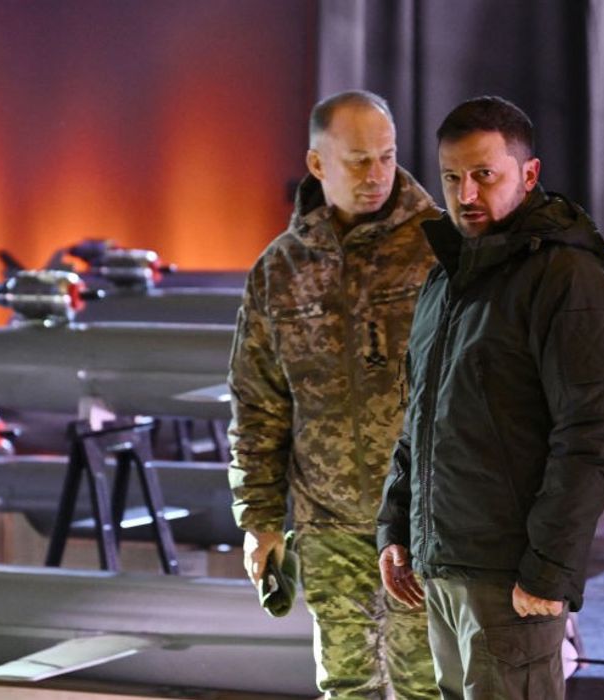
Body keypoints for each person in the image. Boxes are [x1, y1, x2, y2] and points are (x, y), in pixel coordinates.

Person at [376, 95, 604, 699]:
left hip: (513, 579)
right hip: (443, 567)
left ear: (529, 174)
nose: (466, 194)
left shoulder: (568, 280)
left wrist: (549, 569)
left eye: (484, 175)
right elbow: (422, 419)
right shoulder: (447, 278)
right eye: (452, 178)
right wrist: (396, 528)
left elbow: (590, 439)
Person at [228, 90, 439, 699]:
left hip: (425, 517)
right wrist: (259, 520)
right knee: (346, 686)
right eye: (358, 160)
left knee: (429, 686)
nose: (377, 175)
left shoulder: (442, 250)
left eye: (387, 157)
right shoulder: (281, 269)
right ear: (317, 164)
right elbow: (258, 403)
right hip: (327, 523)